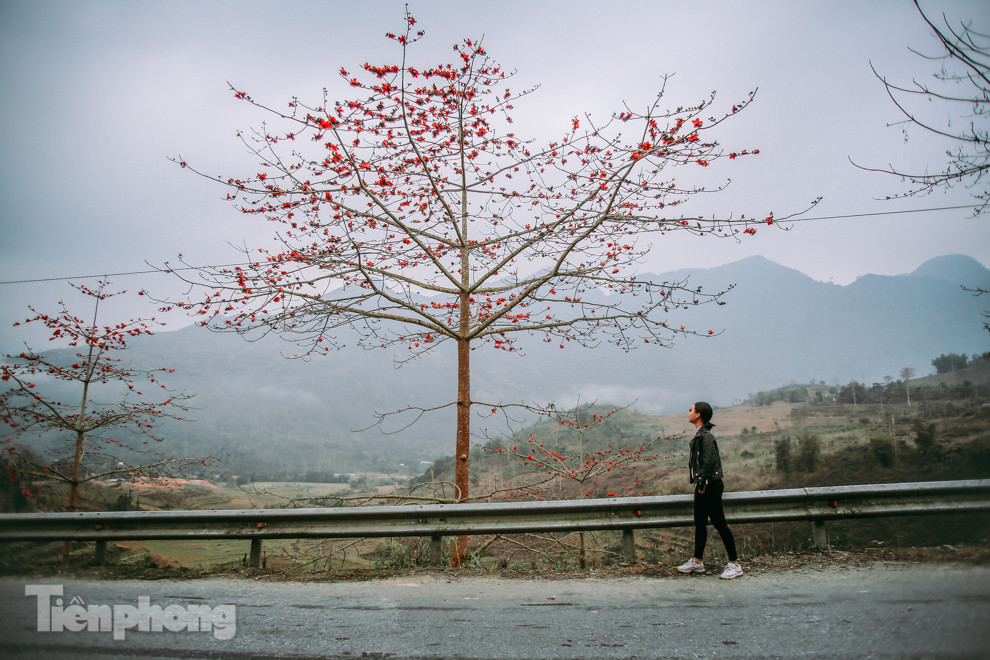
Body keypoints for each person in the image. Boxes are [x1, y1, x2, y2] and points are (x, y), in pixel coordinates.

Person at [677, 401, 743, 579]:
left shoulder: (706, 436)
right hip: (703, 484)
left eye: (691, 409)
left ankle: (735, 564)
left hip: (710, 485)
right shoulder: (702, 434)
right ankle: (697, 562)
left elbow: (709, 461)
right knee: (700, 523)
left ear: (698, 415)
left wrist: (703, 483)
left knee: (719, 523)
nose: (689, 411)